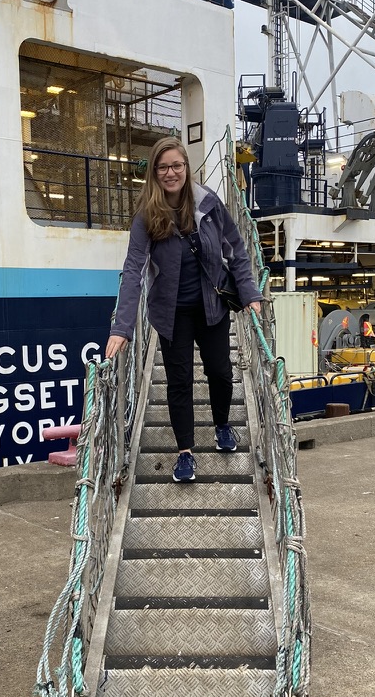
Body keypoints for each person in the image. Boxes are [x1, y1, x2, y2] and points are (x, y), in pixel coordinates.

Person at [105, 137, 262, 483]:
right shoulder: (147, 216)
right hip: (171, 313)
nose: (171, 172)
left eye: (177, 165)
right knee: (180, 382)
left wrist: (250, 292)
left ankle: (222, 424)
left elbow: (235, 248)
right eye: (163, 167)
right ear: (155, 173)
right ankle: (185, 453)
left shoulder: (208, 203)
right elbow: (133, 271)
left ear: (186, 167)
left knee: (221, 373)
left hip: (212, 305)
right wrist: (122, 327)